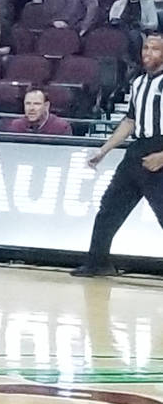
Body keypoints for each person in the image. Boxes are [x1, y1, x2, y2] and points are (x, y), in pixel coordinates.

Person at [71, 33, 163, 277]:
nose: (147, 53)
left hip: (160, 151)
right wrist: (104, 150)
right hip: (137, 150)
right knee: (109, 208)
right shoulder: (139, 82)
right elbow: (130, 120)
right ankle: (97, 262)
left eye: (154, 49)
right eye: (146, 48)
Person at [4, 88, 72, 135]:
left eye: (37, 104)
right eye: (28, 103)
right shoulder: (17, 126)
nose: (31, 108)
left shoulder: (61, 127)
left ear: (46, 106)